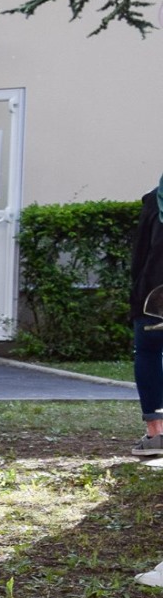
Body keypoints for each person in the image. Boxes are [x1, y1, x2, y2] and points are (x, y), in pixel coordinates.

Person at [131, 170, 162, 458]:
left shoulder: (155, 200)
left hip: (155, 295)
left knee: (149, 352)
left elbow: (140, 256)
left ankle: (156, 433)